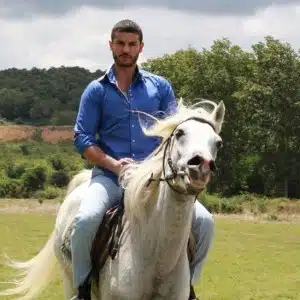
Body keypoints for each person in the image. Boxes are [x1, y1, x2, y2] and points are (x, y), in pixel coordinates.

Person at [72, 19, 214, 300]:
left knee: (206, 223)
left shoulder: (160, 87)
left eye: (132, 44)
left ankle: (188, 288)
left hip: (154, 180)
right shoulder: (96, 90)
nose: (126, 49)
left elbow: (176, 133)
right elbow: (83, 138)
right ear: (111, 45)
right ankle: (83, 289)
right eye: (121, 43)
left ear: (140, 47)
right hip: (111, 177)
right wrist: (114, 165)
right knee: (85, 219)